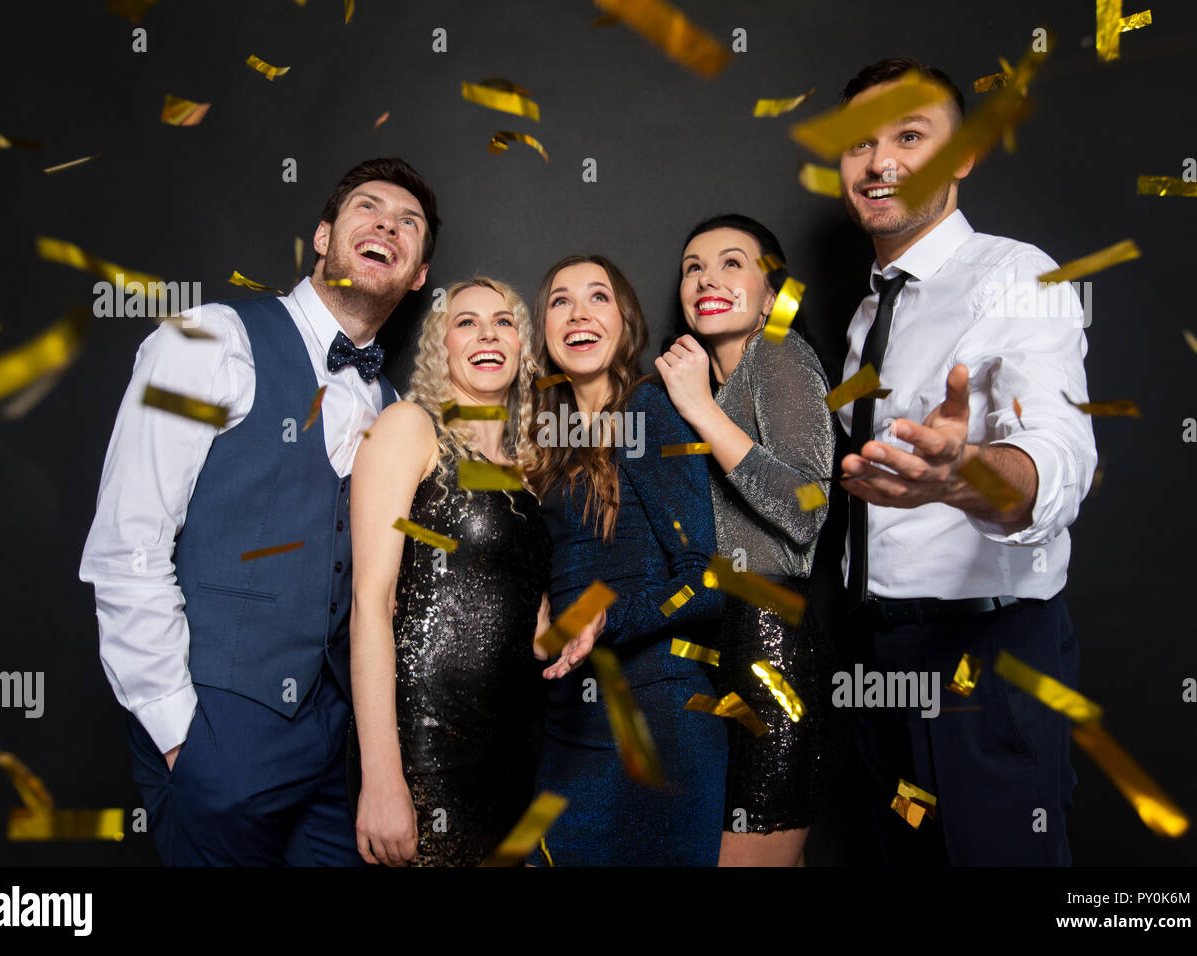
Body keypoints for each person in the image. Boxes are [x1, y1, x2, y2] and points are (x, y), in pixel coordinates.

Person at [79, 157, 440, 865]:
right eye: (367, 209)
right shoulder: (206, 340)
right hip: (221, 737)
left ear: (419, 273)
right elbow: (128, 544)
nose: (386, 227)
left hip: (339, 757)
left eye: (408, 224)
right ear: (324, 234)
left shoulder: (397, 412)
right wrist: (184, 736)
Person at [833, 57, 1098, 865]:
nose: (880, 163)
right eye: (860, 144)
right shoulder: (869, 309)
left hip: (984, 662)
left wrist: (966, 476)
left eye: (911, 137)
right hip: (878, 661)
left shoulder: (1018, 276)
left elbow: (1060, 450)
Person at [346, 277, 560, 867]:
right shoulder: (410, 429)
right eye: (466, 321)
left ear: (523, 350)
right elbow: (370, 602)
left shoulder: (523, 476)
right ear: (441, 346)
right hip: (425, 753)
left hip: (513, 757)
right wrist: (382, 776)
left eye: (504, 322)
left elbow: (539, 636)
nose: (487, 333)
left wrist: (600, 613)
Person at [525, 255, 727, 867]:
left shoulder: (649, 411)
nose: (579, 313)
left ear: (626, 321)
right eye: (560, 300)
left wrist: (606, 620)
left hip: (656, 714)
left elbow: (708, 582)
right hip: (570, 719)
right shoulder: (550, 441)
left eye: (598, 297)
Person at [656, 214, 844, 866]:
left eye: (732, 262)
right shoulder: (707, 383)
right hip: (710, 651)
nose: (707, 277)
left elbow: (804, 510)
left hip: (768, 649)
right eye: (693, 267)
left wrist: (701, 408)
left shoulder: (779, 352)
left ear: (772, 295)